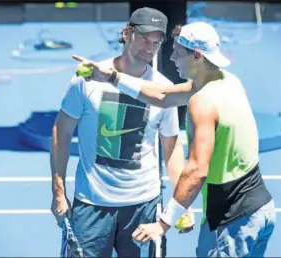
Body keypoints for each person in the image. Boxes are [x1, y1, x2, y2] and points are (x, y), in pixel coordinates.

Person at [72, 21, 276, 257]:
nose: (172, 59)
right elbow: (161, 95)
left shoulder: (203, 102)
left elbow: (197, 170)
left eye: (178, 53)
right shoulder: (228, 82)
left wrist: (163, 223)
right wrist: (112, 77)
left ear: (197, 56)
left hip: (231, 220)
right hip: (261, 209)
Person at [50, 7, 194, 258]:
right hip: (91, 206)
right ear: (126, 33)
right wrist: (58, 193)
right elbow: (61, 134)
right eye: (144, 39)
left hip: (143, 207)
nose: (149, 48)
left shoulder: (165, 90)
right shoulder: (87, 79)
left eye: (156, 43)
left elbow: (171, 150)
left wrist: (180, 204)